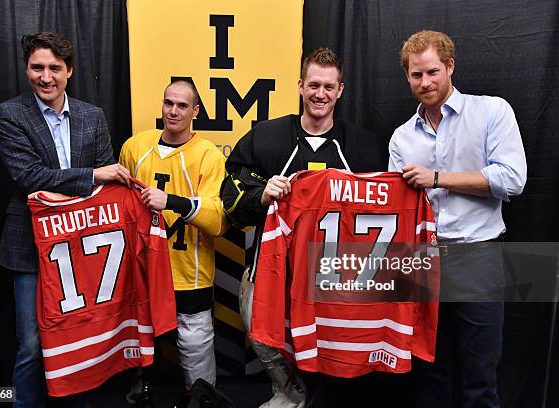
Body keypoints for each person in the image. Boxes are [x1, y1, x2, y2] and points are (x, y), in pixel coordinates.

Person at [222, 47, 383, 407]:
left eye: (328, 86)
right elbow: (229, 195)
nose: (320, 94)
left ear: (340, 90)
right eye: (313, 85)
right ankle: (289, 392)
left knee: (332, 354)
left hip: (336, 278)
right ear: (300, 86)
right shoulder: (266, 137)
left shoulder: (364, 145)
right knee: (265, 335)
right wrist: (262, 193)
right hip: (273, 270)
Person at [388, 30, 527, 407]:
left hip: (477, 256)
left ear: (450, 66)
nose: (425, 83)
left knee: (479, 375)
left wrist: (436, 178)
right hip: (422, 261)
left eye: (433, 72)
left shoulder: (491, 111)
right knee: (430, 372)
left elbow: (512, 179)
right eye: (416, 75)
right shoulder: (401, 138)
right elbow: (398, 210)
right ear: (407, 77)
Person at [0, 32, 131, 407]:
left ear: (69, 71)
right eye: (37, 67)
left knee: (77, 335)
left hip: (84, 245)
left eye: (55, 68)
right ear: (27, 69)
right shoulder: (9, 114)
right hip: (28, 244)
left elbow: (107, 184)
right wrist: (91, 176)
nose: (45, 76)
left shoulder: (92, 115)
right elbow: (29, 177)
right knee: (31, 344)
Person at [119, 79, 227, 396]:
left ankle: (200, 397)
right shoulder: (135, 147)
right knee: (138, 339)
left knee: (196, 355)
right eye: (169, 103)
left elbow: (218, 219)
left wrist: (173, 202)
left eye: (182, 105)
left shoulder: (208, 155)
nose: (173, 111)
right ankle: (142, 387)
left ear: (195, 111)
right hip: (142, 268)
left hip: (188, 274)